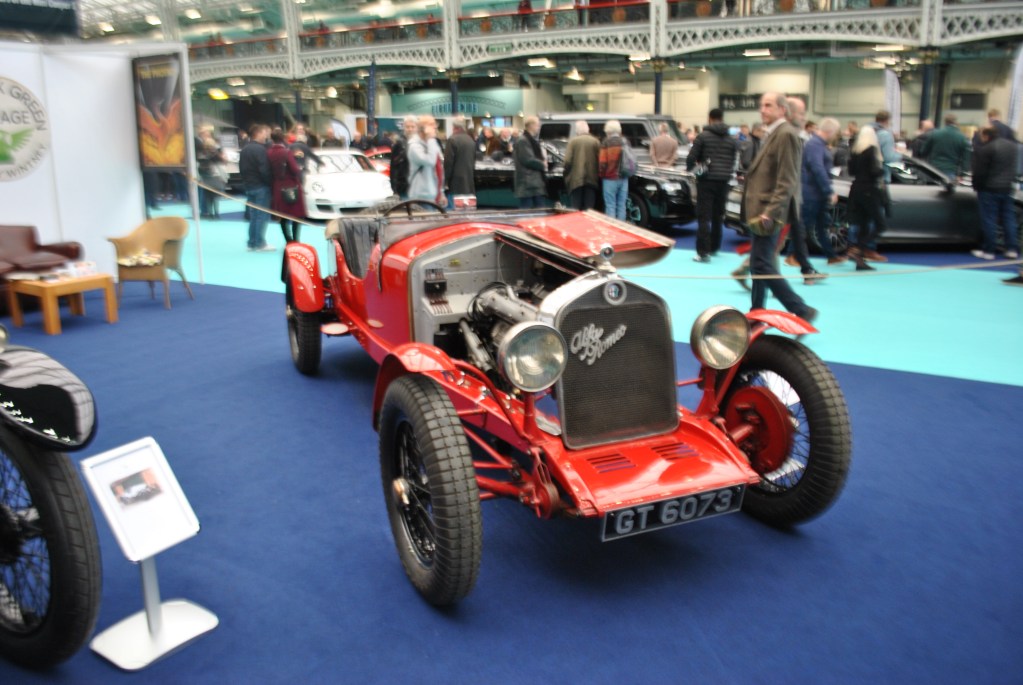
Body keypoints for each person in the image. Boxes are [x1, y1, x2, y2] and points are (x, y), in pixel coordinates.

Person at [740, 92, 816, 324]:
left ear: (782, 110)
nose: (762, 110)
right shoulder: (774, 133)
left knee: (762, 264)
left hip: (769, 212)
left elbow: (787, 180)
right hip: (761, 210)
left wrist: (771, 211)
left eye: (768, 105)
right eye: (761, 105)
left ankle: (801, 309)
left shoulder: (786, 134)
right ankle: (756, 312)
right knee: (759, 263)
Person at [686, 108, 738, 262]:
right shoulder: (731, 139)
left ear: (709, 118)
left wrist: (694, 171)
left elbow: (691, 158)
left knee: (704, 216)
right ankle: (715, 246)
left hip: (706, 180)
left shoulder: (703, 136)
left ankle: (703, 252)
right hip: (724, 181)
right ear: (722, 118)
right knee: (718, 215)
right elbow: (734, 160)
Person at [971, 125, 1020, 260]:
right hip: (1007, 188)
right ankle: (1012, 249)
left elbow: (980, 172)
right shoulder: (1012, 147)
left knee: (989, 219)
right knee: (1008, 219)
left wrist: (976, 186)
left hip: (989, 189)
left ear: (986, 135)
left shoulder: (986, 149)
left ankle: (989, 250)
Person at [801, 117, 843, 266]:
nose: (836, 136)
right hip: (812, 193)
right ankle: (794, 255)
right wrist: (829, 190)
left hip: (816, 193)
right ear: (830, 131)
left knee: (820, 226)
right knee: (804, 226)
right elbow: (817, 168)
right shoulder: (815, 145)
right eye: (836, 133)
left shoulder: (817, 144)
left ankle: (831, 255)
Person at [845, 125, 887, 271]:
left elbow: (851, 171)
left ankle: (860, 260)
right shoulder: (872, 150)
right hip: (869, 190)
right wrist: (882, 170)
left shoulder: (855, 152)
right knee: (880, 224)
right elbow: (875, 171)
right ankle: (859, 248)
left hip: (856, 189)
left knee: (862, 224)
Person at [239, 123, 275, 252]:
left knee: (254, 215)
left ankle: (252, 242)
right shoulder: (260, 150)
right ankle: (259, 242)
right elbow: (264, 169)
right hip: (260, 186)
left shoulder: (245, 149)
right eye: (265, 133)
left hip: (249, 185)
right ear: (258, 133)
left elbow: (241, 168)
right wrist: (270, 182)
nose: (266, 136)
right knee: (261, 216)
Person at [267, 127, 305, 243]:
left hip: (277, 186)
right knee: (296, 215)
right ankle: (295, 240)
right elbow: (295, 169)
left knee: (282, 215)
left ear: (272, 139)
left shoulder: (269, 152)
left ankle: (288, 240)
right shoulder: (286, 152)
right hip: (291, 185)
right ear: (283, 138)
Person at [563, 120, 601, 210]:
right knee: (589, 209)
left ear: (577, 130)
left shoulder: (572, 142)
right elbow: (600, 160)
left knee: (575, 208)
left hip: (576, 180)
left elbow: (567, 161)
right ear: (588, 129)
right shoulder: (595, 142)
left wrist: (566, 174)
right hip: (592, 179)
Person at [922, 114, 970, 183]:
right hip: (951, 171)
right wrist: (962, 174)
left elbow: (923, 151)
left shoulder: (934, 134)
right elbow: (966, 159)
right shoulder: (962, 138)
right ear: (956, 122)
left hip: (933, 170)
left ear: (945, 122)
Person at [407, 115, 443, 205]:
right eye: (431, 124)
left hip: (434, 195)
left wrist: (441, 192)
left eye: (435, 124)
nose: (435, 127)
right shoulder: (414, 147)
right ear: (423, 128)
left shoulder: (432, 143)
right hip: (421, 196)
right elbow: (430, 161)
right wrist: (430, 138)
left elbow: (439, 167)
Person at [513, 115, 547, 208]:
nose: (539, 128)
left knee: (538, 209)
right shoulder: (523, 141)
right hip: (527, 183)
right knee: (527, 211)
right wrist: (542, 164)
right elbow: (527, 160)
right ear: (531, 125)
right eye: (537, 125)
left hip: (533, 183)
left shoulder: (530, 140)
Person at [598, 119, 629, 221]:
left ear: (608, 130)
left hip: (610, 178)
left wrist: (601, 175)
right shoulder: (625, 141)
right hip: (624, 177)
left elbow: (602, 162)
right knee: (622, 205)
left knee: (610, 205)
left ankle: (612, 228)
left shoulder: (606, 142)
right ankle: (621, 227)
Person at [444, 115, 476, 206]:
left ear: (455, 127)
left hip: (455, 183)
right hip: (469, 182)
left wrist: (445, 181)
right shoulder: (470, 140)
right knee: (466, 209)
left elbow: (448, 163)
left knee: (453, 209)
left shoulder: (452, 140)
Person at [390, 115, 417, 200]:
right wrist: (394, 188)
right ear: (404, 127)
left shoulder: (420, 143)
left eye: (412, 127)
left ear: (416, 128)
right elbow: (394, 167)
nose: (410, 129)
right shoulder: (399, 144)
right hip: (404, 185)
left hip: (419, 186)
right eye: (407, 127)